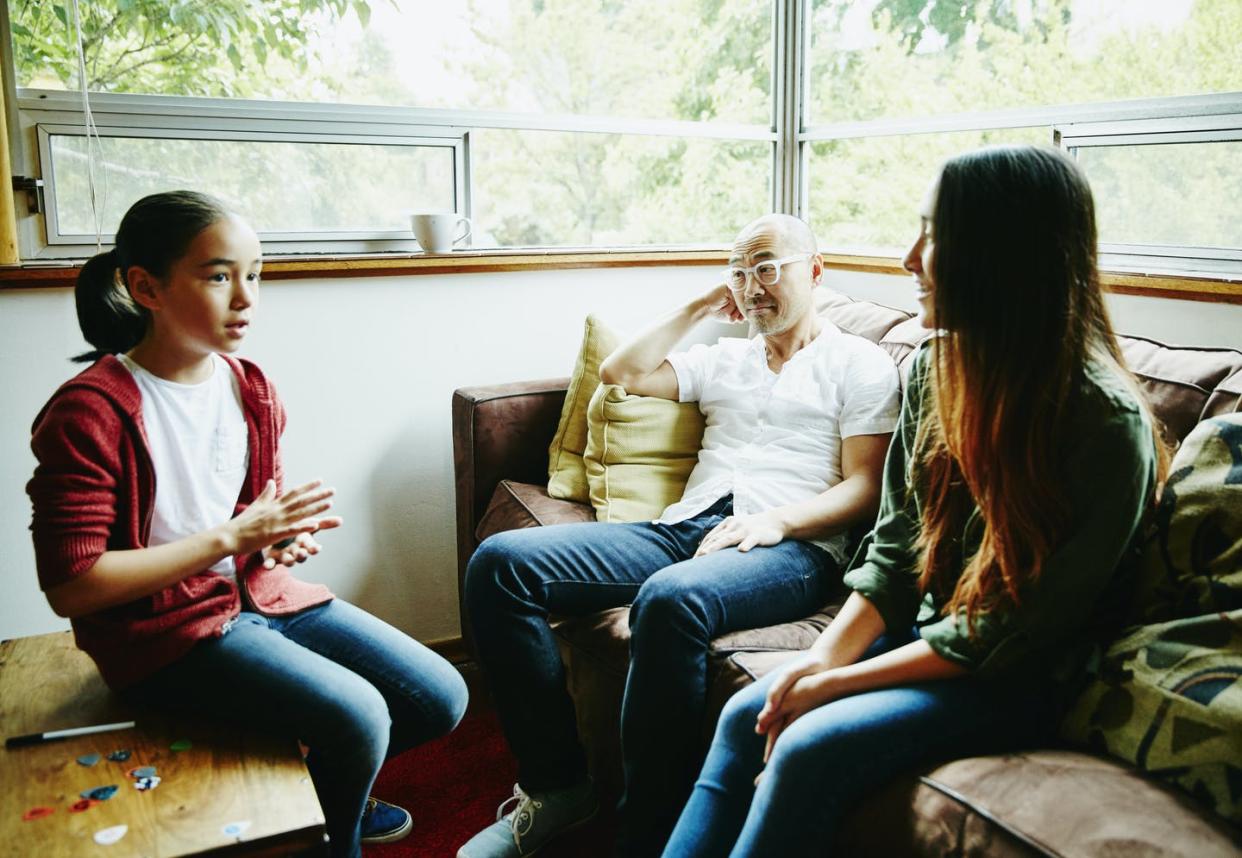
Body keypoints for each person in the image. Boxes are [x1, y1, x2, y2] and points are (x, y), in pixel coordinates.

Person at [660, 145, 1169, 858]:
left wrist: (832, 686)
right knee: (753, 709)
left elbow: (1004, 636)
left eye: (934, 235)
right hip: (925, 636)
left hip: (1015, 678)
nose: (908, 258)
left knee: (808, 744)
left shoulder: (1103, 422)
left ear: (1003, 256)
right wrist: (821, 662)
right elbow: (897, 551)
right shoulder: (939, 368)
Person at [27, 190, 468, 858]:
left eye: (254, 274)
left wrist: (282, 538)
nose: (245, 297)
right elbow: (74, 584)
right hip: (161, 632)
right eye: (217, 275)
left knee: (440, 696)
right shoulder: (88, 412)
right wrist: (235, 538)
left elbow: (252, 518)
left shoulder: (251, 386)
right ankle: (329, 838)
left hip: (258, 597)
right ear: (145, 286)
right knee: (359, 717)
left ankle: (322, 791)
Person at [458, 214, 901, 858]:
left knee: (669, 600)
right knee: (500, 566)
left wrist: (775, 520)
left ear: (816, 268)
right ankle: (559, 787)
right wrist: (701, 303)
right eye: (741, 273)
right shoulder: (727, 357)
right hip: (689, 528)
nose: (753, 287)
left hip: (793, 547)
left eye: (768, 268)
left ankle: (645, 835)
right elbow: (622, 372)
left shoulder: (859, 363)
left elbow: (864, 487)